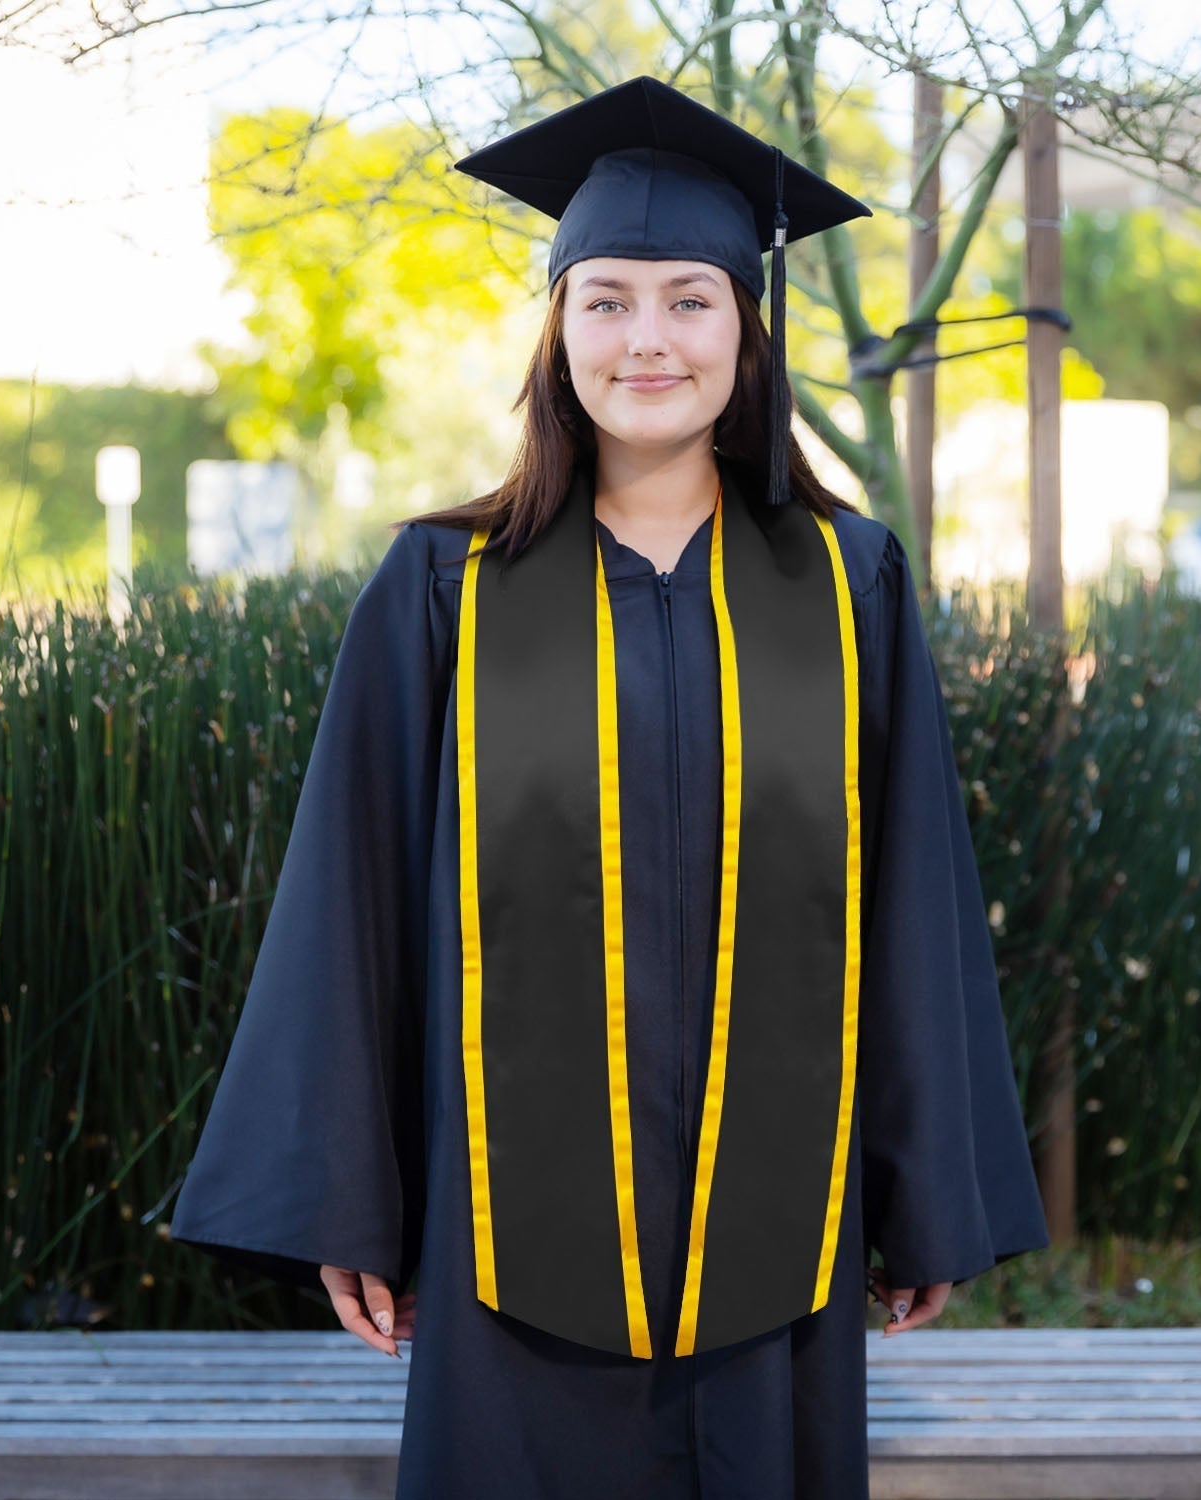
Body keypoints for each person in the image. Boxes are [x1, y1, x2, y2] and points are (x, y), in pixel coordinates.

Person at [169, 74, 1050, 1499]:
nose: (650, 339)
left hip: (783, 1243)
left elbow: (913, 902)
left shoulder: (848, 586)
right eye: (609, 301)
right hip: (507, 1246)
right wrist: (354, 1197)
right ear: (557, 335)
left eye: (692, 299)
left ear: (748, 335)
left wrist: (924, 1196)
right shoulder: (443, 590)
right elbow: (355, 898)